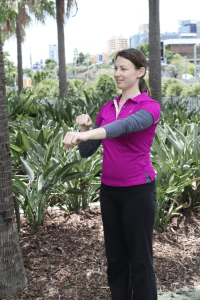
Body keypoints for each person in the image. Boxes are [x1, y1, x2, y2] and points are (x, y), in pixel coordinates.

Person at [63, 48, 161, 300]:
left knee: (140, 260)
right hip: (109, 192)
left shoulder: (149, 107)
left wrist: (86, 133)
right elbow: (87, 150)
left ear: (140, 72)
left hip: (138, 191)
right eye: (115, 68)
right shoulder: (108, 108)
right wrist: (86, 129)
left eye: (123, 68)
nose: (117, 73)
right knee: (116, 259)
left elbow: (123, 127)